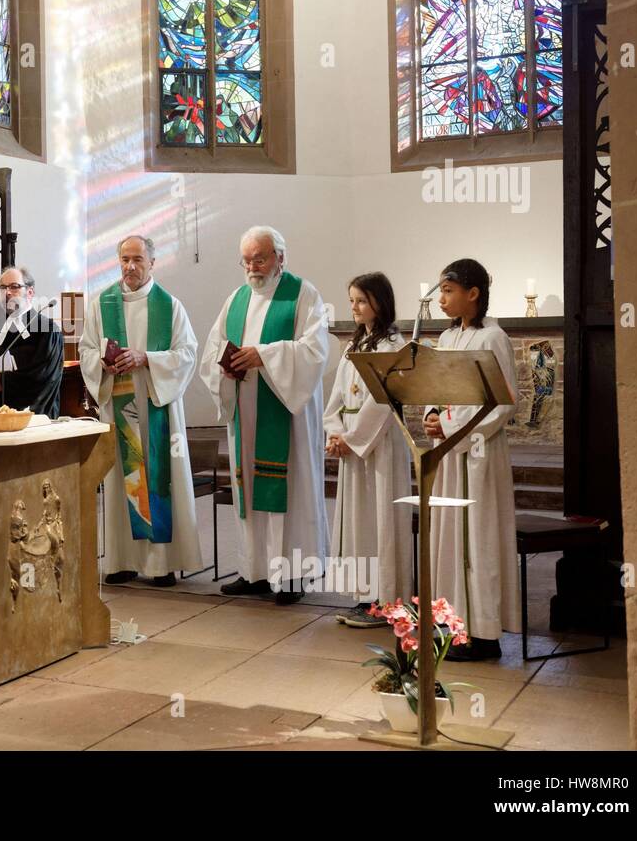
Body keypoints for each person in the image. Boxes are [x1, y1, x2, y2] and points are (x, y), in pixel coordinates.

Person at [199, 227, 329, 605]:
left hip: (285, 418)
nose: (253, 267)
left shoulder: (303, 294)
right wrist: (224, 367)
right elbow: (212, 350)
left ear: (280, 258)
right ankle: (253, 571)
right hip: (246, 413)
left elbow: (314, 351)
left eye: (260, 258)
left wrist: (265, 356)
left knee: (288, 490)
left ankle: (290, 576)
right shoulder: (236, 299)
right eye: (247, 260)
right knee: (250, 490)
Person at [80, 235, 204, 588]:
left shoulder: (170, 306)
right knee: (121, 481)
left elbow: (187, 354)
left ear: (152, 262)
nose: (130, 266)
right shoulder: (100, 303)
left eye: (137, 259)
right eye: (124, 259)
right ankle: (121, 560)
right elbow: (87, 349)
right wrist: (102, 362)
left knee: (156, 476)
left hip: (154, 407)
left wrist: (146, 358)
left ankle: (160, 564)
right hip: (118, 407)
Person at [424, 259, 519, 661]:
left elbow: (502, 401)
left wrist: (449, 425)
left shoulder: (493, 338)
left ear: (473, 293)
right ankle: (453, 623)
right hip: (448, 453)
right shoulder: (447, 339)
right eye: (441, 291)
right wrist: (432, 414)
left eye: (448, 291)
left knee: (476, 538)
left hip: (477, 455)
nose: (440, 299)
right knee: (451, 535)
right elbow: (435, 384)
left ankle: (483, 634)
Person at [323, 272, 413, 627]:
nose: (355, 308)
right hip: (352, 446)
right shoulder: (353, 346)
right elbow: (336, 397)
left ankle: (386, 599)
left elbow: (384, 402)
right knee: (359, 521)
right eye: (351, 301)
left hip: (380, 447)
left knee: (381, 520)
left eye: (361, 300)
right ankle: (365, 595)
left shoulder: (394, 347)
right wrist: (334, 431)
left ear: (379, 302)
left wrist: (352, 437)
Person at [0, 266, 63, 417]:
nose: (8, 292)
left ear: (30, 293)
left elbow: (43, 376)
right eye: (3, 288)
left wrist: (3, 381)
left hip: (34, 419)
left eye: (14, 287)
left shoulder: (48, 330)